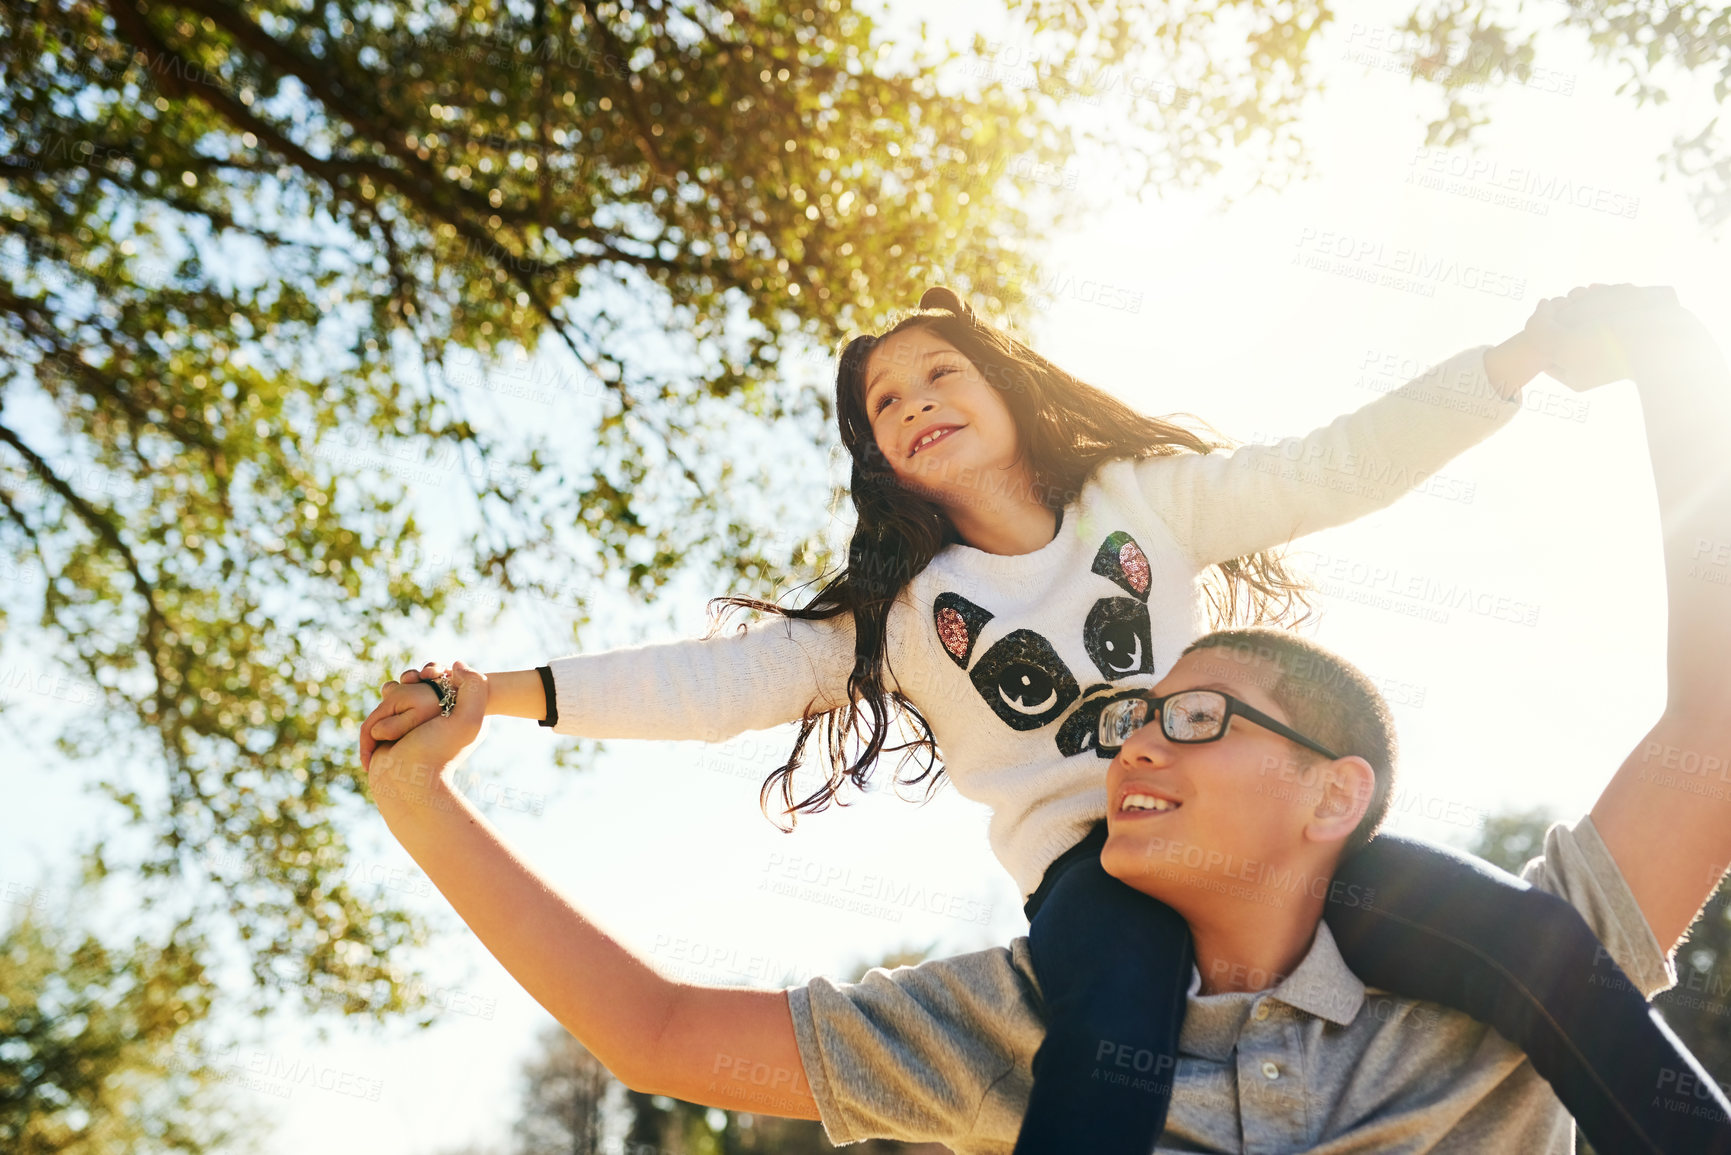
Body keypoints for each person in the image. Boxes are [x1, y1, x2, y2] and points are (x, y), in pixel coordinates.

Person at [362, 284, 1722, 1152]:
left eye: (939, 373)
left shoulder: (1148, 506)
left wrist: (1514, 363)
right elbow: (711, 686)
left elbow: (1333, 467)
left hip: (1286, 863)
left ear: (1005, 387)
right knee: (1115, 1032)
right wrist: (508, 698)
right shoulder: (898, 621)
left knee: (1538, 944)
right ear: (878, 456)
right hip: (1099, 886)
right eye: (885, 404)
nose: (915, 403)